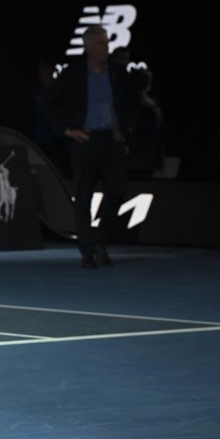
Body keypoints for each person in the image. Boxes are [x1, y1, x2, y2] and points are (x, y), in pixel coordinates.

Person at [42, 25, 139, 268]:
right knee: (83, 196)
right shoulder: (73, 74)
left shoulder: (117, 72)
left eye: (107, 43)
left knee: (117, 190)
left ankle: (101, 241)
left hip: (112, 141)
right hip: (85, 141)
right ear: (88, 48)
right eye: (101, 44)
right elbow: (47, 101)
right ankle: (87, 250)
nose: (106, 48)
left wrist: (125, 128)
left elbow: (133, 101)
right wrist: (66, 130)